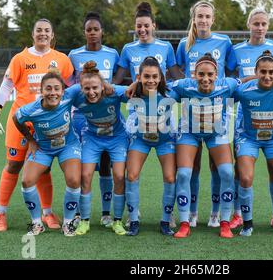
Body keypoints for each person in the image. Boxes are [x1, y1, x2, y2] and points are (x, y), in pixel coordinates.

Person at [0, 18, 74, 232]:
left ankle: (47, 213)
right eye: (39, 30)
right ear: (32, 34)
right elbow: (6, 86)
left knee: (43, 169)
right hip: (20, 122)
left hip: (46, 124)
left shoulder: (61, 60)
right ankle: (0, 214)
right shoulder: (20, 59)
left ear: (52, 35)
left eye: (47, 30)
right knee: (14, 165)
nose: (43, 33)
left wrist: (73, 115)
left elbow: (70, 90)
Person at [227, 8, 273, 230]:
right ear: (249, 25)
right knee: (242, 171)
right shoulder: (236, 50)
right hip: (246, 120)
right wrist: (254, 78)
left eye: (263, 24)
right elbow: (230, 80)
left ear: (268, 26)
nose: (260, 28)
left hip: (272, 118)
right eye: (256, 23)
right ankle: (238, 214)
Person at [176, 0, 236, 228]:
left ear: (213, 19)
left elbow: (230, 71)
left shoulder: (224, 41)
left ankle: (215, 212)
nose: (203, 20)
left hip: (217, 109)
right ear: (194, 18)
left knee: (217, 166)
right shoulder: (184, 44)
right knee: (193, 165)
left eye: (207, 17)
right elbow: (178, 72)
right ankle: (191, 212)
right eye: (199, 16)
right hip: (190, 110)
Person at [170, 53, 238, 239]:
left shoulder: (228, 84)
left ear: (217, 74)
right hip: (189, 132)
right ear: (194, 74)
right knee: (184, 173)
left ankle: (223, 221)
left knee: (226, 173)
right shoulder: (184, 85)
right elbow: (158, 86)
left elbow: (246, 83)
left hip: (215, 132)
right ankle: (186, 221)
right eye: (201, 74)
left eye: (210, 74)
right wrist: (136, 85)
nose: (205, 79)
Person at [12, 69, 81, 236]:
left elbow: (86, 84)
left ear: (62, 91)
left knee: (73, 179)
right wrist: (30, 140)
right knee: (27, 181)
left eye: (57, 88)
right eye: (48, 89)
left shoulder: (69, 96)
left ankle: (68, 222)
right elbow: (16, 118)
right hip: (43, 148)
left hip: (68, 146)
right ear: (41, 91)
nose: (53, 93)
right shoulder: (31, 110)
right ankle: (37, 223)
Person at [233, 50, 273, 237]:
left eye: (271, 72)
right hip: (248, 138)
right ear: (256, 72)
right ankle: (247, 223)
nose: (267, 76)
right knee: (245, 178)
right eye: (263, 72)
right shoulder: (244, 90)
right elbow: (221, 91)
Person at [68, 12, 120, 228]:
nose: (92, 33)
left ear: (101, 32)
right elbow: (71, 85)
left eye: (95, 29)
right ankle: (81, 213)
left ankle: (106, 213)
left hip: (107, 117)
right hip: (81, 118)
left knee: (107, 164)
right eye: (88, 29)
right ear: (84, 32)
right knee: (83, 166)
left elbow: (116, 81)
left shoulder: (113, 54)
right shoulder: (74, 55)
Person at [69, 61, 129, 237]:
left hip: (117, 138)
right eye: (86, 89)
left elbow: (135, 94)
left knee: (119, 176)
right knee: (85, 175)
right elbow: (58, 96)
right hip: (92, 138)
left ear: (102, 86)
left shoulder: (113, 92)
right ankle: (85, 221)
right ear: (81, 88)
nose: (91, 92)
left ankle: (117, 220)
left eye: (95, 88)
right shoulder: (76, 95)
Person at [125, 56, 177, 236]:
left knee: (170, 178)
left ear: (161, 77)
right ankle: (133, 219)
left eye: (155, 76)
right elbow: (108, 89)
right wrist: (131, 85)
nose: (151, 80)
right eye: (146, 76)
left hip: (165, 141)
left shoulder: (171, 92)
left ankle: (166, 220)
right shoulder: (132, 94)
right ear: (139, 77)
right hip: (141, 140)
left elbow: (190, 84)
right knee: (131, 175)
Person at [114, 2, 183, 85]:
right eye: (139, 26)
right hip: (138, 97)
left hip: (160, 97)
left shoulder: (166, 46)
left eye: (146, 26)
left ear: (153, 26)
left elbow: (176, 76)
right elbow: (117, 80)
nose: (142, 30)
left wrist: (195, 82)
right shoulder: (128, 49)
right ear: (135, 27)